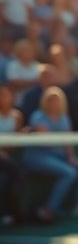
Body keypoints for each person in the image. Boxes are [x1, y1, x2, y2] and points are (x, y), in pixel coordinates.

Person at [22, 87, 78, 223]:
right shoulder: (38, 116)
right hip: (37, 157)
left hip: (58, 157)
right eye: (50, 100)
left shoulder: (64, 119)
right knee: (69, 173)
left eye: (56, 100)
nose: (54, 103)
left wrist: (71, 157)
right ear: (45, 101)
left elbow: (67, 141)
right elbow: (46, 138)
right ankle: (48, 210)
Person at [0, 84, 26, 225]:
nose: (3, 98)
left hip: (8, 159)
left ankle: (13, 214)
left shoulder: (17, 116)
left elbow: (16, 142)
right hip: (6, 160)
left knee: (6, 180)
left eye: (6, 94)